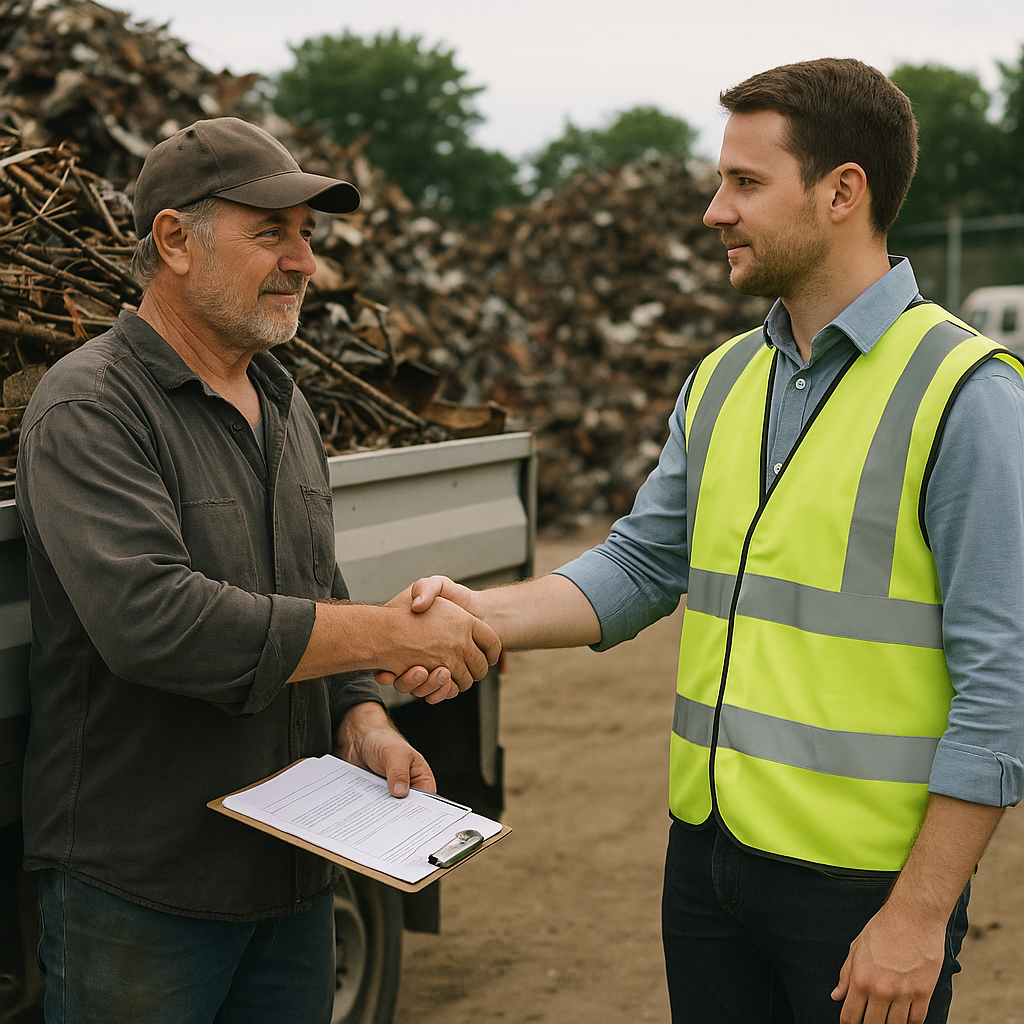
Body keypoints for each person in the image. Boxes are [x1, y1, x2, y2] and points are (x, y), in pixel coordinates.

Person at [389, 59, 1024, 1024]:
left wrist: (920, 915)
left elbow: (1004, 685)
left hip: (863, 891)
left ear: (842, 191)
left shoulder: (968, 397)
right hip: (708, 867)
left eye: (745, 182)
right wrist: (483, 615)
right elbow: (643, 563)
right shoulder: (724, 379)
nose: (712, 211)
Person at [14, 116, 499, 1024]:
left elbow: (315, 582)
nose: (303, 261)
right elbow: (156, 622)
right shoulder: (91, 407)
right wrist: (393, 635)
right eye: (270, 232)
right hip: (143, 890)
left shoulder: (282, 400)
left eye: (308, 236)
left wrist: (359, 710)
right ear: (174, 241)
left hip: (291, 871)